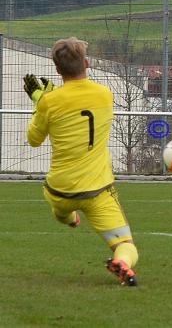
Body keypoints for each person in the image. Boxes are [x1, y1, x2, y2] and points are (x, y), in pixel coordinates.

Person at [24, 37, 139, 286]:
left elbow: (34, 140)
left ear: (57, 70)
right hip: (97, 191)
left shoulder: (49, 102)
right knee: (126, 245)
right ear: (87, 63)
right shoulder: (105, 95)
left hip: (60, 191)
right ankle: (123, 263)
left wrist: (39, 104)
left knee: (61, 212)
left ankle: (69, 218)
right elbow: (78, 105)